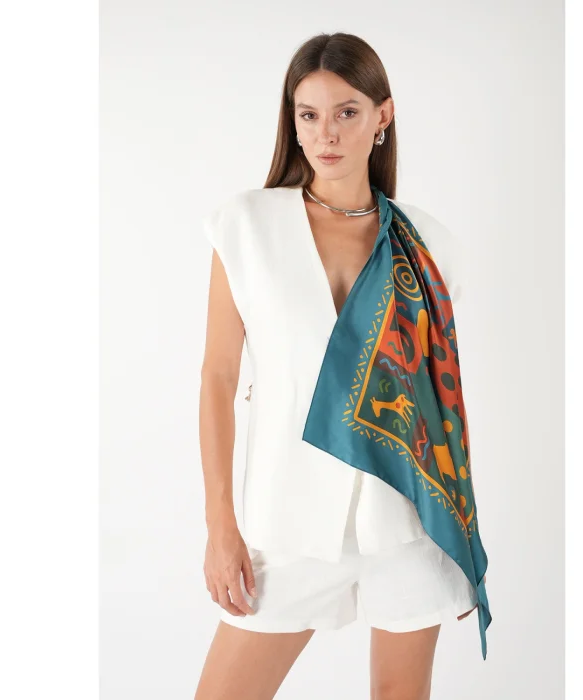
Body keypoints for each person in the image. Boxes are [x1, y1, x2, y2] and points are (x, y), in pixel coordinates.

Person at [195, 32, 490, 700]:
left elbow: (440, 401)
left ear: (383, 115)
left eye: (346, 112)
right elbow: (218, 378)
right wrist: (220, 527)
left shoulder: (427, 244)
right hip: (286, 521)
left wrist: (460, 536)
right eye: (308, 114)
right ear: (292, 120)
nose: (325, 133)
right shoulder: (246, 226)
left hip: (405, 525)